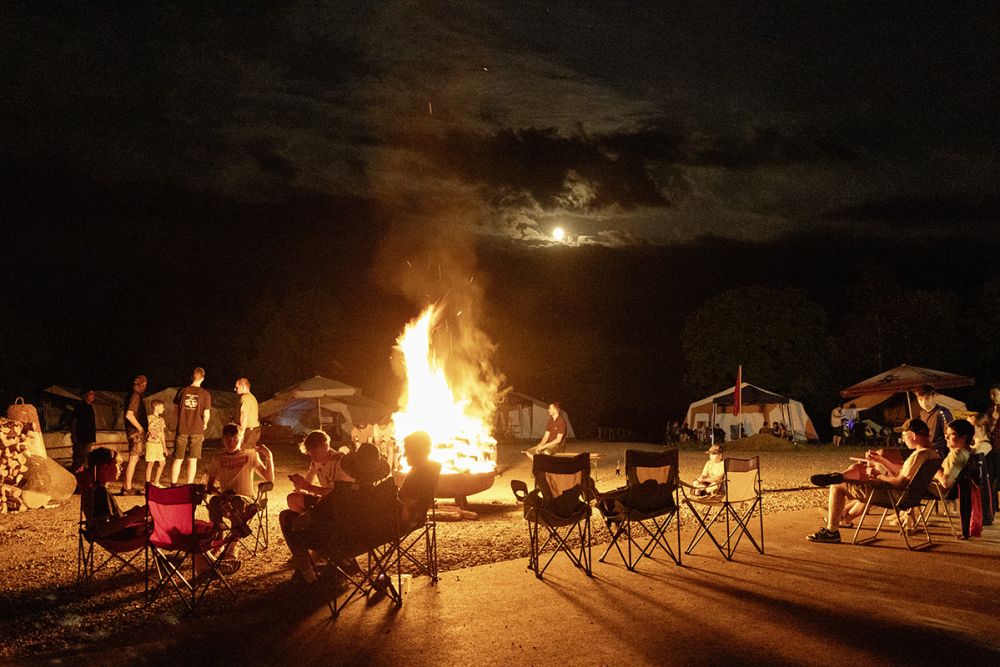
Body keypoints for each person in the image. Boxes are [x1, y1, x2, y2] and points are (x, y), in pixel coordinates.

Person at [806, 418, 939, 544]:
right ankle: (841, 497)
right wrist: (881, 461)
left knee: (837, 486)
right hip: (909, 497)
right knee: (864, 473)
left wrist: (879, 476)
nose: (903, 439)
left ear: (913, 435)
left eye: (905, 435)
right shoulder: (932, 454)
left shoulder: (917, 456)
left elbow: (900, 482)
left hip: (894, 496)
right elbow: (902, 474)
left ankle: (831, 531)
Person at [280, 441, 391, 583]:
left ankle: (307, 574)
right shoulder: (381, 494)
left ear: (352, 470)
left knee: (288, 518)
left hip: (338, 542)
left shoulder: (342, 492)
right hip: (368, 539)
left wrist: (305, 516)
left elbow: (313, 516)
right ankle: (346, 562)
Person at [206, 423, 275, 572]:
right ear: (223, 439)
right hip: (226, 500)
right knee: (213, 502)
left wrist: (269, 457)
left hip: (246, 500)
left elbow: (269, 478)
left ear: (240, 438)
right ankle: (219, 542)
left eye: (234, 438)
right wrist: (220, 494)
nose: (231, 442)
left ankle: (233, 545)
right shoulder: (218, 458)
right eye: (227, 439)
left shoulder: (249, 455)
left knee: (237, 501)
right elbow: (209, 486)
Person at [78, 447, 147, 541]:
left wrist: (129, 513)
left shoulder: (95, 489)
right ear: (105, 468)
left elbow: (109, 517)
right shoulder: (100, 492)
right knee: (156, 522)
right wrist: (134, 517)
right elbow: (104, 529)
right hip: (120, 537)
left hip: (116, 534)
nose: (120, 469)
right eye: (118, 465)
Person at [286, 430, 354, 514]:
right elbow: (307, 485)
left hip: (340, 504)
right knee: (292, 499)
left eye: (315, 452)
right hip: (326, 500)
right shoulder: (316, 461)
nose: (312, 456)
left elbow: (338, 493)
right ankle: (307, 524)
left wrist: (309, 487)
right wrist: (299, 484)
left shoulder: (340, 461)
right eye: (310, 453)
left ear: (326, 446)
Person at [170, 367, 212, 486]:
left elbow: (175, 410)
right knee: (192, 460)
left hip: (182, 429)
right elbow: (206, 414)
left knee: (178, 459)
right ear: (202, 379)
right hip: (197, 430)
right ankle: (189, 485)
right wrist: (205, 424)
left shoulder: (182, 391)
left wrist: (179, 422)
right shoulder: (205, 394)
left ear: (191, 377)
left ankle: (173, 484)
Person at [397, 431, 442, 529]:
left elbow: (409, 502)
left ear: (416, 451)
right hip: (408, 514)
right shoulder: (420, 469)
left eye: (407, 450)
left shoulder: (423, 473)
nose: (404, 455)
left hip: (407, 518)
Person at [121, 375, 149, 495]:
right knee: (133, 459)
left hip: (133, 433)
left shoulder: (131, 396)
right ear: (142, 385)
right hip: (135, 433)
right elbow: (129, 415)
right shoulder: (135, 397)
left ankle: (126, 486)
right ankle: (127, 487)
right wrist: (140, 427)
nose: (145, 388)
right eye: (145, 385)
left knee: (134, 459)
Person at [915, 384, 952, 458]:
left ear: (934, 397)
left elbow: (949, 435)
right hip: (927, 449)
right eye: (920, 400)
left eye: (927, 399)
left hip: (940, 451)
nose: (924, 403)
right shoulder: (922, 412)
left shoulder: (942, 412)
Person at [70, 389, 97, 473]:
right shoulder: (79, 407)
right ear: (84, 396)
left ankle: (83, 474)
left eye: (93, 394)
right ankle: (75, 474)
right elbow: (74, 421)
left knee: (86, 456)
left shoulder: (91, 407)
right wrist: (73, 435)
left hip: (88, 436)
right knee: (79, 456)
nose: (93, 396)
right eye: (90, 394)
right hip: (80, 436)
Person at [144, 399, 168, 487]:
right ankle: (147, 484)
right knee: (151, 463)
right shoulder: (148, 418)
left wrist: (164, 447)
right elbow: (145, 430)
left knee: (162, 463)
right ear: (156, 407)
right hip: (151, 444)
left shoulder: (162, 420)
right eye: (162, 407)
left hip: (159, 445)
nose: (163, 409)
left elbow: (162, 434)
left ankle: (156, 482)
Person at [234, 378, 261, 450]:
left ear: (243, 387)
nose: (235, 389)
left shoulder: (244, 398)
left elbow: (244, 415)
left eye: (237, 387)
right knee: (251, 453)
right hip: (254, 430)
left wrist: (242, 432)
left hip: (248, 431)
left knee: (244, 452)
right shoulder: (252, 397)